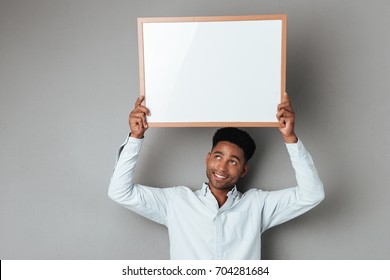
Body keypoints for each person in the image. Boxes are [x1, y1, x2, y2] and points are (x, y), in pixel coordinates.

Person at [108, 92, 324, 259]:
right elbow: (120, 192)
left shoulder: (258, 205)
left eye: (233, 161)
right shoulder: (176, 202)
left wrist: (290, 137)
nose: (222, 167)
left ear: (243, 170)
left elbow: (311, 194)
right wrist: (136, 137)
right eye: (218, 157)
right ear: (208, 158)